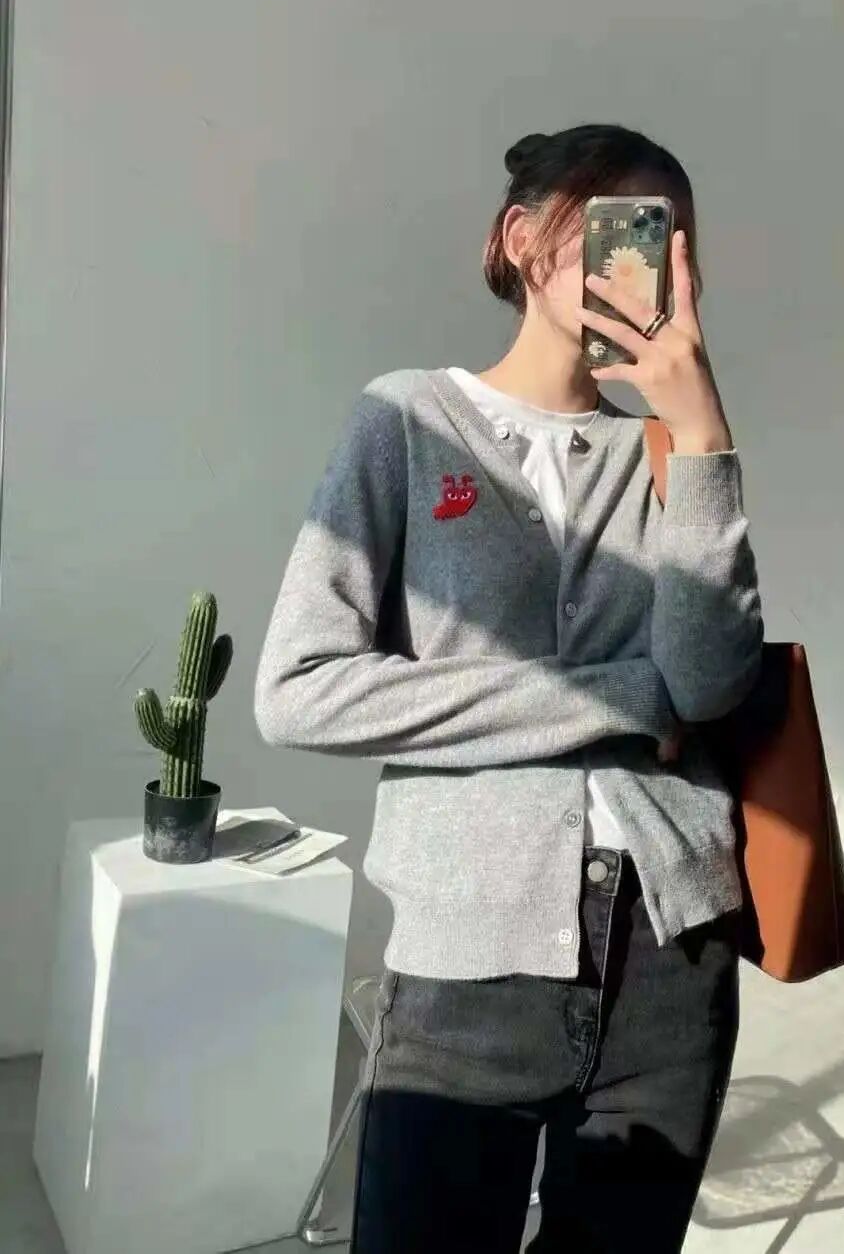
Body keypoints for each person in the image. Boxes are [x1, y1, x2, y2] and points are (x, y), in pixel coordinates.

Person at [254, 123, 765, 1254]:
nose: (653, 270)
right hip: (466, 959)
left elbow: (706, 687)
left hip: (670, 960)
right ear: (525, 239)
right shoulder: (405, 420)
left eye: (675, 247)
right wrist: (613, 698)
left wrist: (703, 433)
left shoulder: (668, 452)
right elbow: (298, 688)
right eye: (626, 232)